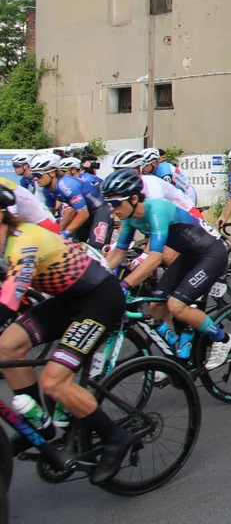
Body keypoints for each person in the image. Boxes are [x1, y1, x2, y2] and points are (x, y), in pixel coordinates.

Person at [0, 185, 133, 483]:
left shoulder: (25, 240)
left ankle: (116, 437)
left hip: (99, 299)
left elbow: (9, 302)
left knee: (52, 380)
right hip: (67, 301)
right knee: (5, 348)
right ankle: (40, 427)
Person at [101, 169, 231, 369]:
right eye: (108, 204)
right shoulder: (129, 219)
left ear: (134, 198)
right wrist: (99, 277)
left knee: (176, 306)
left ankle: (223, 340)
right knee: (156, 306)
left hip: (211, 254)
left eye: (115, 203)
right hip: (189, 256)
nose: (112, 209)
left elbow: (155, 257)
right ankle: (176, 357)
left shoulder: (157, 209)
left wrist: (124, 284)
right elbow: (118, 253)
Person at [30, 153, 112, 250]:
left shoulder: (65, 185)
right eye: (33, 175)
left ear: (52, 173)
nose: (35, 178)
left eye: (37, 175)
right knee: (77, 248)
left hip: (101, 210)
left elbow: (83, 214)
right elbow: (50, 215)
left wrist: (64, 234)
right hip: (87, 211)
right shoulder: (47, 190)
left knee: (95, 249)